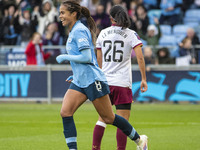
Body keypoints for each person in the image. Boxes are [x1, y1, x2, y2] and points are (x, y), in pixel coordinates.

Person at [56, 1, 148, 150]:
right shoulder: (74, 30)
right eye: (60, 12)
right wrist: (76, 74)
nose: (60, 16)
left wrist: (65, 57)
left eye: (62, 13)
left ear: (73, 14)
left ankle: (139, 140)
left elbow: (86, 57)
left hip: (93, 80)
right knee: (65, 112)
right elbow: (90, 58)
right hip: (82, 80)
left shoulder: (80, 30)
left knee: (108, 118)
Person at [92, 5, 148, 150]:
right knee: (122, 120)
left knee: (102, 119)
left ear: (110, 17)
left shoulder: (103, 33)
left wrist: (99, 78)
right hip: (122, 83)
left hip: (105, 82)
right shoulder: (131, 34)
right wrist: (143, 78)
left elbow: (99, 60)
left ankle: (95, 148)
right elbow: (140, 58)